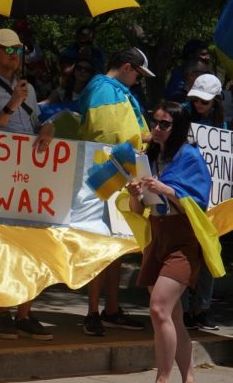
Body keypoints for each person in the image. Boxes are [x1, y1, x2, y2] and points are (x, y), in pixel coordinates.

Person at [0, 29, 55, 341]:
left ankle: (25, 312)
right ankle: (2, 312)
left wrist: (48, 127)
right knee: (0, 245)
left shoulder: (27, 89)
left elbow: (36, 122)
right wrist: (11, 104)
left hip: (28, 173)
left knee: (29, 245)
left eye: (18, 50)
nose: (14, 55)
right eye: (8, 50)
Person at [124, 101, 222, 383]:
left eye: (164, 124)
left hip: (183, 240)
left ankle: (162, 379)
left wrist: (166, 189)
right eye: (154, 122)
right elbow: (136, 209)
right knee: (172, 316)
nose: (156, 128)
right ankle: (187, 378)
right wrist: (135, 193)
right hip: (158, 237)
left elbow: (198, 204)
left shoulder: (190, 157)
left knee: (158, 309)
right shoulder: (148, 157)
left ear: (177, 128)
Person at [76, 48, 152, 336]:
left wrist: (149, 136)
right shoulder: (104, 90)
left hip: (118, 174)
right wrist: (146, 137)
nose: (139, 81)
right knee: (101, 244)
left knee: (117, 245)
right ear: (126, 67)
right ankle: (93, 311)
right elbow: (111, 137)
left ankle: (110, 310)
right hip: (104, 174)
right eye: (138, 74)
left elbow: (128, 135)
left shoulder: (114, 91)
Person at [181, 73, 225, 332]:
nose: (199, 104)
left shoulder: (222, 124)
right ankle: (185, 310)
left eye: (204, 101)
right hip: (187, 193)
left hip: (213, 199)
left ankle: (203, 309)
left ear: (216, 101)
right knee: (187, 252)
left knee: (208, 252)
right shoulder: (182, 116)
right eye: (196, 99)